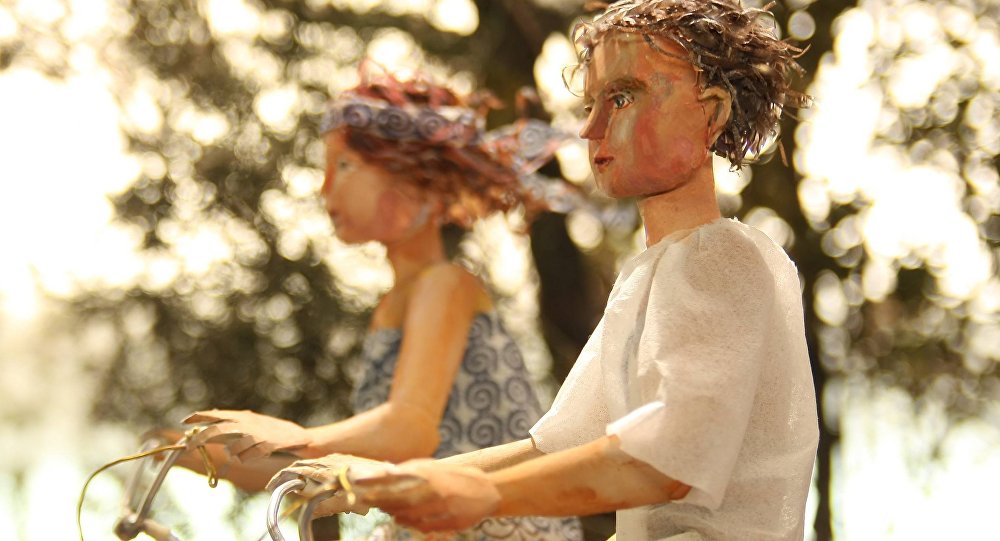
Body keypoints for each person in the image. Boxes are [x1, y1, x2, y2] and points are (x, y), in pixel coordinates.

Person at [270, 1, 820, 540]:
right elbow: (556, 448)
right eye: (591, 103)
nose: (591, 128)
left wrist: (466, 494)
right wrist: (380, 484)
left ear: (712, 114)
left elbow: (664, 461)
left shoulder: (720, 257)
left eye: (623, 97)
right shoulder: (650, 276)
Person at [174, 69, 583, 540]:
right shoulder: (395, 304)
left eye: (345, 165)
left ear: (411, 175)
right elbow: (350, 456)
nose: (326, 187)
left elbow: (409, 429)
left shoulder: (445, 285)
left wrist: (299, 437)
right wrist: (214, 456)